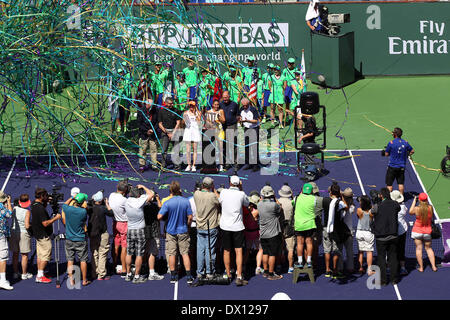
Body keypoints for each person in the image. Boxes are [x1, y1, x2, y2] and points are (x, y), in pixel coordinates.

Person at [157, 181, 194, 284]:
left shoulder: (168, 203)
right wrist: (188, 226)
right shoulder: (185, 201)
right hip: (183, 230)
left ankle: (173, 276)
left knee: (172, 253)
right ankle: (189, 276)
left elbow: (159, 217)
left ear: (171, 191)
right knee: (185, 253)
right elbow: (190, 217)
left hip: (171, 231)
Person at [219, 175, 249, 286]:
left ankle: (228, 274)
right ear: (239, 183)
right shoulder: (241, 194)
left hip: (225, 226)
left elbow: (220, 202)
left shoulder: (223, 193)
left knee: (226, 250)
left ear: (230, 183)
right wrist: (241, 189)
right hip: (237, 227)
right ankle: (239, 276)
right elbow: (246, 203)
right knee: (238, 251)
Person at [124, 185, 155, 283]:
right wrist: (144, 187)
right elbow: (151, 194)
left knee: (129, 253)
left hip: (130, 230)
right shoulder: (140, 201)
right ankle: (137, 276)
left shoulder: (126, 201)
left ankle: (128, 274)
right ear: (138, 195)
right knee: (139, 254)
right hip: (140, 231)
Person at [31, 188, 61, 284]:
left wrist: (46, 201)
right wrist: (55, 218)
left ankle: (40, 273)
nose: (47, 197)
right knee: (45, 256)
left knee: (40, 255)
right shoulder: (40, 209)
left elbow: (42, 206)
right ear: (41, 196)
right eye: (45, 196)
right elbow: (45, 223)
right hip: (44, 235)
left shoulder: (34, 204)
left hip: (37, 234)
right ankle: (39, 276)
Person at [371, 187, 400, 285]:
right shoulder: (395, 204)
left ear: (381, 195)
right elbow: (397, 208)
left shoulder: (377, 206)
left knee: (381, 259)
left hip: (381, 237)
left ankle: (383, 280)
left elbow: (372, 212)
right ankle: (394, 279)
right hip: (393, 236)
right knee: (393, 258)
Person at [194, 177, 221, 279]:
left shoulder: (196, 194)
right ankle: (209, 272)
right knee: (210, 250)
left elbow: (197, 190)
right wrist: (214, 190)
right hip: (211, 227)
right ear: (211, 186)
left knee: (200, 250)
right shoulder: (212, 196)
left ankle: (200, 272)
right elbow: (219, 201)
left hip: (200, 226)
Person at [62, 193, 90, 286]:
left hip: (69, 239)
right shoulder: (83, 212)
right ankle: (84, 280)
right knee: (83, 260)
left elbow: (64, 204)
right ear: (82, 202)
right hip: (81, 239)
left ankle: (71, 280)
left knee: (70, 260)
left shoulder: (68, 209)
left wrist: (72, 197)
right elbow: (85, 211)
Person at [258, 185, 284, 280]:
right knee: (272, 254)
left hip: (263, 233)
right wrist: (275, 198)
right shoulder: (274, 205)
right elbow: (280, 208)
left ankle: (265, 270)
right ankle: (271, 273)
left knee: (265, 252)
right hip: (273, 233)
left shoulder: (259, 204)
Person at [87, 191, 114, 281]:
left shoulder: (89, 208)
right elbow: (111, 213)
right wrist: (107, 203)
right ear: (102, 200)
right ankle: (101, 274)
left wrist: (92, 199)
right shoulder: (103, 208)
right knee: (102, 253)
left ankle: (94, 273)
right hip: (102, 233)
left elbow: (89, 203)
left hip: (92, 233)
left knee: (94, 253)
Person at [409, 193, 437, 272]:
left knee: (418, 249)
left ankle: (421, 268)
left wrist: (414, 200)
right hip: (427, 232)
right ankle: (434, 267)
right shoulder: (430, 208)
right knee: (429, 248)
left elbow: (410, 211)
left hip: (417, 232)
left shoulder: (417, 209)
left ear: (419, 200)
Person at [136, 74, 158, 172]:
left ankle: (154, 165)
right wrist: (146, 131)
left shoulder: (155, 111)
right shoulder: (141, 111)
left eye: (151, 104)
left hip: (153, 134)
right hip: (144, 134)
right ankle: (142, 165)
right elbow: (139, 123)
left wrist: (152, 130)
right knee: (142, 150)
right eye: (149, 104)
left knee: (153, 150)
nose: (150, 105)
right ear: (146, 103)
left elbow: (157, 122)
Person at [325, 183, 346, 279]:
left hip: (327, 229)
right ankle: (335, 270)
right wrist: (342, 197)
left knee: (327, 250)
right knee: (336, 250)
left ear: (330, 192)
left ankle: (327, 270)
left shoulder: (326, 201)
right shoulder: (340, 203)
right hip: (336, 230)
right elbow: (345, 208)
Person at [292, 183, 316, 269]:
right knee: (309, 243)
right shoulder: (314, 199)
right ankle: (309, 260)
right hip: (310, 224)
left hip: (299, 225)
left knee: (299, 243)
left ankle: (300, 261)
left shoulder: (296, 198)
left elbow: (293, 204)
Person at [384, 127, 414, 195]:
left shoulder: (391, 143)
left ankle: (389, 199)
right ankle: (401, 198)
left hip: (392, 166)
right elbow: (412, 151)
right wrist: (406, 155)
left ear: (395, 134)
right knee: (400, 183)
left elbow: (386, 154)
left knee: (389, 184)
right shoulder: (405, 142)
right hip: (401, 167)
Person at [109, 180, 129, 277]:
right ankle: (124, 269)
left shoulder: (111, 195)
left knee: (116, 245)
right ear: (125, 191)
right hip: (124, 224)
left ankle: (114, 265)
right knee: (124, 247)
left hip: (115, 223)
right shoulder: (125, 200)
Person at [10, 194, 33, 280]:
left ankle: (15, 273)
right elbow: (27, 226)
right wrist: (32, 225)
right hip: (23, 234)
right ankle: (24, 274)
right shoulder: (27, 212)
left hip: (13, 233)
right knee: (24, 255)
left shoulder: (14, 209)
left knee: (15, 254)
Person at [143, 188, 164, 281]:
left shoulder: (142, 206)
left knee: (145, 250)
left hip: (145, 231)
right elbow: (161, 211)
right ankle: (152, 272)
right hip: (154, 232)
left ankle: (144, 267)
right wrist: (158, 200)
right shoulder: (154, 207)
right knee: (152, 252)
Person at [158, 97, 182, 170]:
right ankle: (163, 166)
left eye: (172, 103)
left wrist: (173, 133)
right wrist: (167, 133)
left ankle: (177, 166)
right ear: (166, 103)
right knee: (164, 150)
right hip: (165, 133)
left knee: (176, 150)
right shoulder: (161, 111)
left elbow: (178, 123)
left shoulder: (176, 110)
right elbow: (160, 124)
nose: (171, 105)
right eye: (169, 103)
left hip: (175, 132)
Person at [243, 193, 263, 276]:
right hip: (256, 233)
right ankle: (258, 267)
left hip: (247, 233)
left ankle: (243, 265)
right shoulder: (256, 212)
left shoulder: (245, 212)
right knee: (260, 249)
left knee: (247, 250)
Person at [277, 184, 295, 273]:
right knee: (290, 248)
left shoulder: (277, 202)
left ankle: (279, 265)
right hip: (289, 227)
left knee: (280, 247)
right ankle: (290, 267)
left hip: (279, 227)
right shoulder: (292, 203)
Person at [220, 91, 240, 170]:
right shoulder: (220, 104)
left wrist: (238, 122)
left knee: (234, 145)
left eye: (226, 97)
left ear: (229, 96)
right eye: (224, 98)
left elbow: (238, 115)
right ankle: (227, 163)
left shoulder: (234, 104)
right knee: (225, 146)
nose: (225, 99)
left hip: (232, 126)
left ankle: (236, 163)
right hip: (223, 127)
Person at [239, 97, 260, 172]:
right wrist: (240, 121)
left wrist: (247, 120)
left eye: (246, 105)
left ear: (248, 104)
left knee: (254, 146)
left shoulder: (253, 110)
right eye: (243, 105)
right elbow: (239, 117)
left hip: (254, 128)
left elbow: (255, 121)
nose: (244, 107)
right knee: (247, 146)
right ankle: (248, 163)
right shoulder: (241, 109)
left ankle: (255, 164)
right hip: (246, 129)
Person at [355, 195, 375, 275]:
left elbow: (358, 216)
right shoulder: (371, 211)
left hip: (359, 232)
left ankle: (360, 268)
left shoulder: (359, 210)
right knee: (369, 252)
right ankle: (369, 270)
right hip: (368, 233)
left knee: (360, 251)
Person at [390, 190, 408, 275]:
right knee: (401, 250)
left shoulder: (390, 208)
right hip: (402, 232)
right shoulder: (403, 208)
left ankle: (390, 267)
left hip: (392, 232)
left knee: (391, 250)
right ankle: (403, 268)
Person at [204, 99, 226, 171]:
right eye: (215, 104)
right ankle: (212, 165)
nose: (216, 106)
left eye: (217, 105)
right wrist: (211, 124)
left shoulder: (221, 111)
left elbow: (223, 120)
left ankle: (221, 165)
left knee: (220, 148)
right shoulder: (209, 112)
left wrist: (219, 117)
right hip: (212, 131)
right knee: (212, 148)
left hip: (219, 131)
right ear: (212, 105)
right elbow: (207, 121)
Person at [182, 100, 202, 172]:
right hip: (188, 131)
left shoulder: (198, 113)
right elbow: (184, 123)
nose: (191, 107)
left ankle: (194, 165)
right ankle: (189, 164)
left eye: (193, 106)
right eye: (190, 105)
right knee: (188, 150)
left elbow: (199, 122)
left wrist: (196, 114)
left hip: (195, 131)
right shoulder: (185, 113)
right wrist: (184, 119)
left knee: (195, 149)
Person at [340, 188, 355, 274]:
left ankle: (340, 267)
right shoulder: (352, 207)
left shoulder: (340, 205)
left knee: (340, 250)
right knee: (349, 251)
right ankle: (350, 267)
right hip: (349, 231)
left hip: (342, 231)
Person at [0, 191, 13, 290]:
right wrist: (8, 202)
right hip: (1, 236)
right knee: (2, 258)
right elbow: (10, 214)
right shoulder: (1, 207)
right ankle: (3, 281)